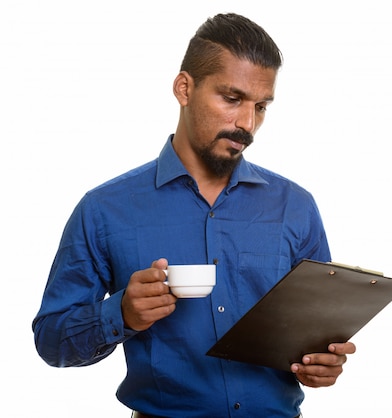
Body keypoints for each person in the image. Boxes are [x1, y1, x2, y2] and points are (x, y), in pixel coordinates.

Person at [32, 12, 356, 418]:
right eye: (232, 99)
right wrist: (122, 313)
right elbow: (51, 342)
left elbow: (315, 334)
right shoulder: (103, 209)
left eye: (261, 106)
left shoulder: (296, 206)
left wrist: (321, 363)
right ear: (184, 88)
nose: (247, 124)